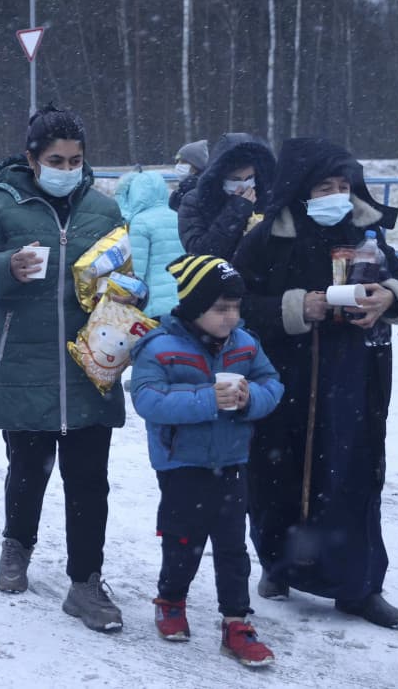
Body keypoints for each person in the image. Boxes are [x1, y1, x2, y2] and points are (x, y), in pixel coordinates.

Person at [232, 137, 398, 629]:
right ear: (300, 190)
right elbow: (237, 303)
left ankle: (357, 587)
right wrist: (298, 307)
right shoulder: (267, 237)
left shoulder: (365, 233)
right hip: (282, 380)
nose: (337, 194)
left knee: (350, 476)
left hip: (352, 381)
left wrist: (388, 296)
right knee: (277, 479)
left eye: (344, 185)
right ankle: (278, 565)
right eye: (324, 186)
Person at [0, 104, 126, 634]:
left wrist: (120, 295)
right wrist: (6, 267)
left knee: (89, 481)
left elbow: (125, 279)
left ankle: (85, 581)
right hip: (22, 361)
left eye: (76, 160)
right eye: (56, 159)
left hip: (89, 364)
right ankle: (17, 545)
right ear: (32, 160)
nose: (67, 168)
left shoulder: (102, 209)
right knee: (28, 471)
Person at [129, 254, 283, 668]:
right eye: (221, 308)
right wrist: (205, 400)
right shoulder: (160, 346)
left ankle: (236, 623)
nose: (231, 317)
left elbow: (272, 382)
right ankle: (171, 598)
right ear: (196, 306)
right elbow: (147, 399)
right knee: (184, 539)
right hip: (182, 464)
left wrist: (253, 398)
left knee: (233, 546)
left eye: (235, 308)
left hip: (232, 460)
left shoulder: (246, 344)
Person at [177, 133, 275, 259]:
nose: (244, 185)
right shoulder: (195, 201)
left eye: (249, 178)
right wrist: (235, 211)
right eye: (235, 179)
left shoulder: (265, 198)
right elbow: (199, 253)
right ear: (220, 178)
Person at [115, 169, 184, 318]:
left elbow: (137, 271)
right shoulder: (176, 216)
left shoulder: (140, 221)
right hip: (181, 298)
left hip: (154, 303)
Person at [167, 139, 208, 213]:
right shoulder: (182, 189)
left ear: (196, 165)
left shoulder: (203, 190)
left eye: (183, 162)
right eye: (177, 161)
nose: (178, 165)